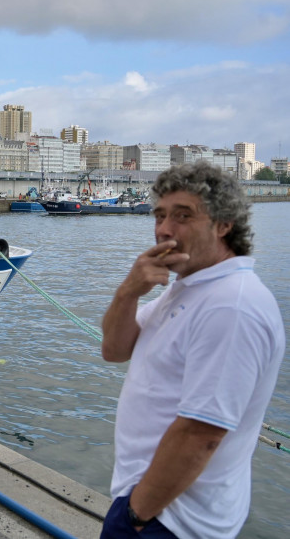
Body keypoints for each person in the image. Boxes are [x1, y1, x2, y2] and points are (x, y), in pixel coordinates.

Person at [100, 161, 285, 538]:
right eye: (160, 215)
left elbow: (202, 434)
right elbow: (116, 350)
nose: (165, 229)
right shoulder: (188, 287)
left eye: (183, 216)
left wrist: (136, 515)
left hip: (173, 520)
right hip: (154, 506)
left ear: (224, 224)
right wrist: (128, 292)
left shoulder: (231, 305)